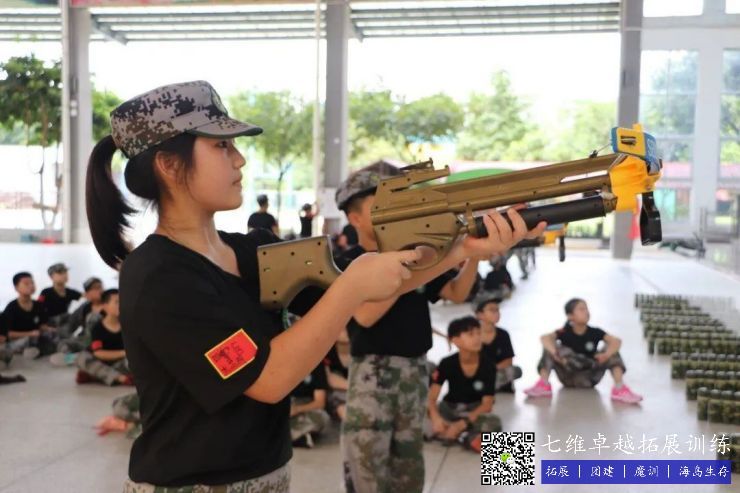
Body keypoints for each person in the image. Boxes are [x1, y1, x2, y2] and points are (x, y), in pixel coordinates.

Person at [86, 80, 440, 491]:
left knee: (424, 465)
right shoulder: (158, 276)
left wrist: (460, 250)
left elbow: (373, 289)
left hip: (270, 473)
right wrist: (354, 285)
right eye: (221, 146)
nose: (239, 159)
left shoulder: (253, 251)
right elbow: (268, 379)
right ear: (168, 164)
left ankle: (501, 467)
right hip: (192, 485)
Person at [333, 162, 544, 493]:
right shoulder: (351, 262)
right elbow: (364, 317)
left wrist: (473, 254)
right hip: (373, 376)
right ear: (355, 218)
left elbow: (457, 293)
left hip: (416, 371)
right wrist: (408, 262)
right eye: (378, 207)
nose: (391, 213)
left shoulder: (414, 255)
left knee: (409, 467)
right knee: (367, 464)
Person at [523, 298, 643, 404]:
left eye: (586, 309)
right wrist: (555, 353)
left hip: (590, 377)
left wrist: (606, 355)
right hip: (569, 375)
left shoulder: (595, 332)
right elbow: (544, 338)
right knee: (550, 346)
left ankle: (619, 388)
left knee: (612, 350)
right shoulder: (564, 332)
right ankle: (543, 384)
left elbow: (616, 341)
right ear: (570, 316)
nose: (586, 312)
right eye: (581, 309)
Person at [427, 317, 501, 453]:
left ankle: (458, 434)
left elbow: (487, 404)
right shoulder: (446, 363)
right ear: (455, 340)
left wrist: (462, 424)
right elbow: (431, 398)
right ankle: (465, 436)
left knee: (493, 422)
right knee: (418, 415)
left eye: (479, 333)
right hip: (449, 409)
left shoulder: (488, 365)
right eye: (471, 334)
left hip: (474, 412)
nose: (477, 338)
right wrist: (435, 417)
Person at [75, 289, 133, 386]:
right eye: (117, 302)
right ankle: (121, 378)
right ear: (105, 306)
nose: (121, 305)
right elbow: (98, 353)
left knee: (133, 361)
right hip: (102, 362)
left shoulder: (128, 325)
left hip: (120, 364)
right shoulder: (97, 328)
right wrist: (124, 353)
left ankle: (96, 376)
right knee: (82, 358)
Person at [50, 277, 105, 367]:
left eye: (100, 287)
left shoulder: (110, 306)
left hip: (103, 342)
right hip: (85, 340)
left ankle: (81, 358)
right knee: (63, 344)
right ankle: (74, 359)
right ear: (87, 294)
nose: (100, 290)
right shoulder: (84, 307)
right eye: (95, 288)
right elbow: (71, 324)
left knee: (94, 317)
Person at [3, 272, 56, 359]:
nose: (31, 286)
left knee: (54, 336)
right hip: (17, 341)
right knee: (31, 341)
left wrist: (50, 329)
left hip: (36, 338)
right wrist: (29, 334)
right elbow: (7, 333)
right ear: (16, 288)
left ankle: (37, 351)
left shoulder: (38, 305)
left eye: (32, 283)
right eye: (26, 283)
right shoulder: (11, 308)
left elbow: (41, 325)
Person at [475, 298, 522, 392]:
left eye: (497, 310)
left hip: (497, 373)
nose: (496, 313)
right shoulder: (473, 335)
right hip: (478, 374)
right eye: (492, 310)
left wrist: (490, 369)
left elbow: (508, 361)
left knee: (515, 370)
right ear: (480, 315)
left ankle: (485, 387)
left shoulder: (503, 334)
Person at [289, 362, 331, 448]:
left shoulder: (316, 364)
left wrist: (296, 409)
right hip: (282, 403)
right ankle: (297, 437)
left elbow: (320, 402)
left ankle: (290, 436)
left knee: (322, 417)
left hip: (304, 406)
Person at [323, 328, 350, 421]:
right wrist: (355, 387)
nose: (345, 330)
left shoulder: (362, 347)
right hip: (338, 394)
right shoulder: (326, 349)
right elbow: (329, 378)